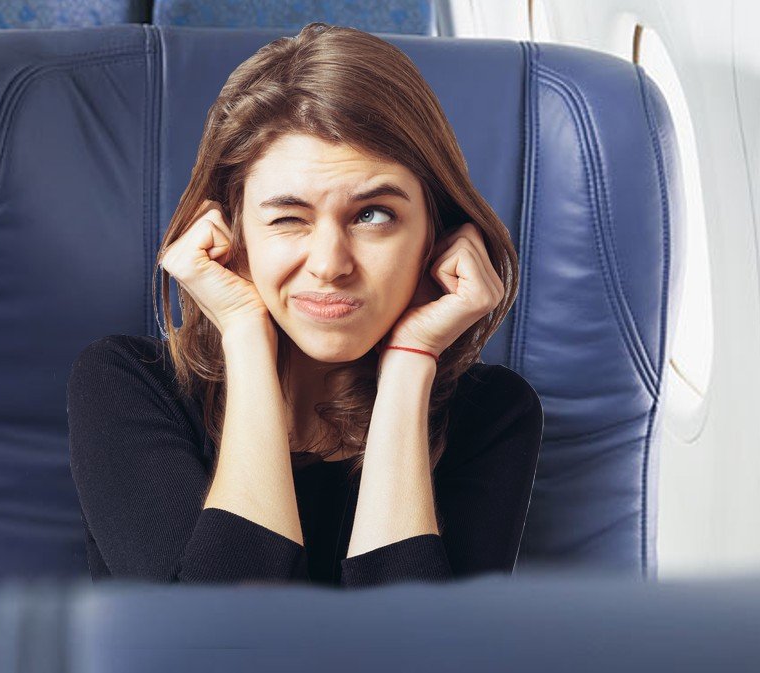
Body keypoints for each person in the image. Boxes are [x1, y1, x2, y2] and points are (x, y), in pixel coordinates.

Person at [66, 22, 544, 589]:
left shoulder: (493, 415)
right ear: (233, 233)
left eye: (373, 215)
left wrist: (410, 363)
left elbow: (417, 648)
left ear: (434, 235)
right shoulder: (125, 384)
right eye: (289, 218)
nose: (330, 263)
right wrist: (245, 337)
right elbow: (213, 644)